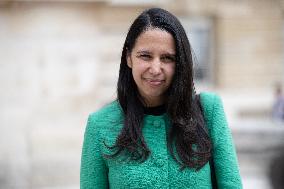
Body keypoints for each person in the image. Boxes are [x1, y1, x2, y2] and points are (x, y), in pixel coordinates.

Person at [80, 8, 242, 189]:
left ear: (180, 62)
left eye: (167, 58)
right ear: (128, 57)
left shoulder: (209, 111)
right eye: (145, 56)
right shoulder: (99, 125)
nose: (156, 69)